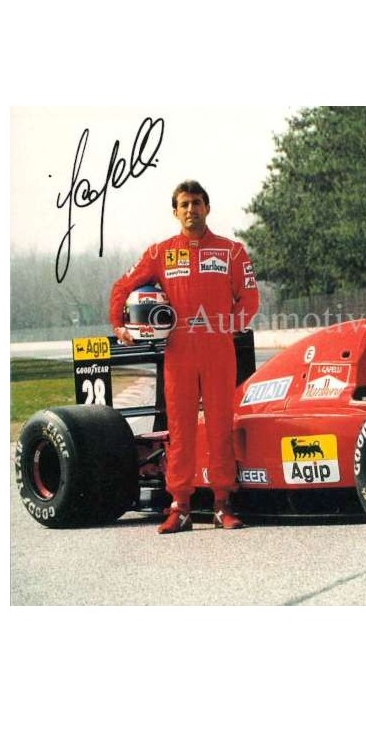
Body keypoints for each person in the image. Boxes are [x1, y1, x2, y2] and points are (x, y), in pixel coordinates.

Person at [110, 180, 259, 532]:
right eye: (184, 204)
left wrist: (228, 325)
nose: (191, 209)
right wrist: (119, 323)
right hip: (178, 351)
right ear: (175, 212)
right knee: (180, 429)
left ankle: (222, 504)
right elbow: (123, 286)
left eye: (196, 203)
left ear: (207, 207)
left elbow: (250, 298)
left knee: (221, 426)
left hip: (217, 349)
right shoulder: (160, 252)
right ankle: (180, 506)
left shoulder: (232, 251)